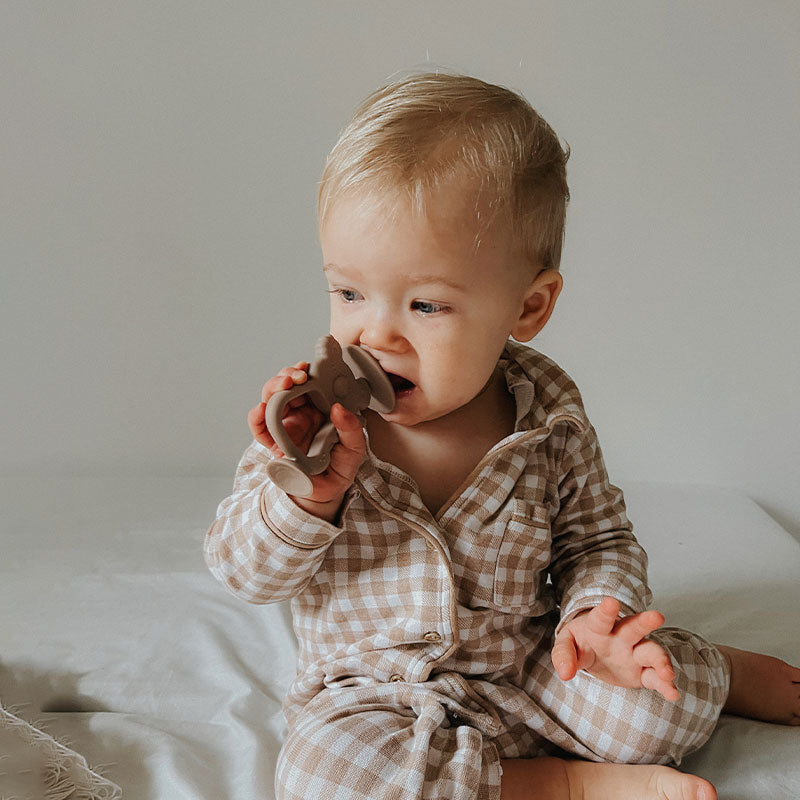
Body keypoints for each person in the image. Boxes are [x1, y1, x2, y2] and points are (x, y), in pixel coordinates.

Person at [204, 72, 800, 800]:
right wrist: (304, 502)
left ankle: (724, 672)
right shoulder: (311, 429)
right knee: (323, 777)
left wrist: (592, 621)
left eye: (426, 303)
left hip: (530, 668)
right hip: (376, 695)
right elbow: (242, 571)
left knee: (648, 699)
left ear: (528, 307)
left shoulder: (547, 413)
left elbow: (597, 541)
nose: (375, 331)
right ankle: (566, 786)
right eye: (349, 292)